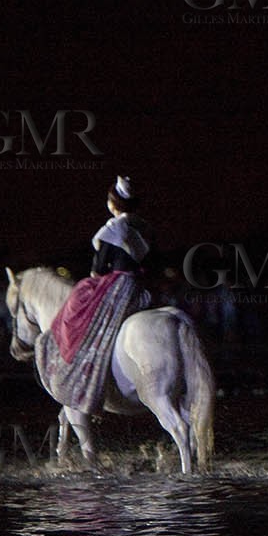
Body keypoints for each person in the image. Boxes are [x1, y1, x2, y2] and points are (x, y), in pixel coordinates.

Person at [43, 176, 154, 412]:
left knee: (80, 304)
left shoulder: (113, 228)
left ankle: (82, 371)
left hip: (119, 285)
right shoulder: (143, 227)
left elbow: (99, 268)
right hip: (141, 285)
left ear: (113, 204)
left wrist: (95, 277)